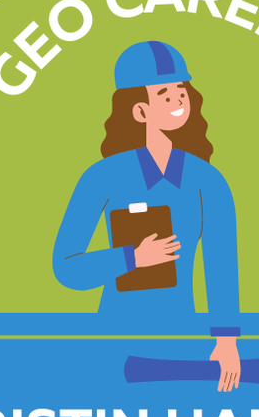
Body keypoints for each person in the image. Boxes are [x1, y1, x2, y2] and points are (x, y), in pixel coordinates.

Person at [52, 40, 242, 391]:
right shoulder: (101, 177)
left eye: (181, 94)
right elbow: (66, 266)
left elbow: (220, 266)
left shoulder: (208, 181)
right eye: (165, 96)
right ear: (139, 111)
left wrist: (227, 342)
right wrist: (133, 257)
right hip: (113, 341)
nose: (177, 104)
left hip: (182, 339)